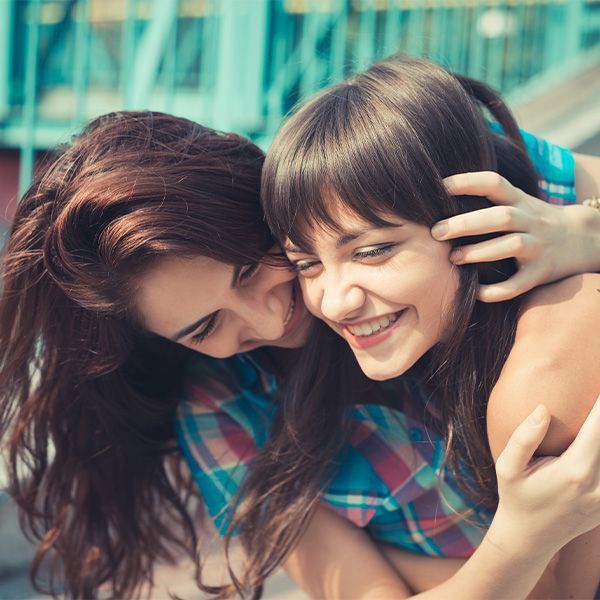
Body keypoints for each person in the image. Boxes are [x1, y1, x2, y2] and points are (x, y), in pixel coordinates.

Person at [0, 110, 598, 599]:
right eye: (204, 327)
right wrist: (522, 540)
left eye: (248, 269)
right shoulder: (225, 416)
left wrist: (586, 235)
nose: (270, 319)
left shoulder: (381, 163)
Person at [258, 55, 600, 598]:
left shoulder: (553, 363)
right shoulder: (436, 359)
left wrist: (590, 229)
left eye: (372, 251)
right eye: (306, 264)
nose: (336, 301)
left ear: (475, 219)